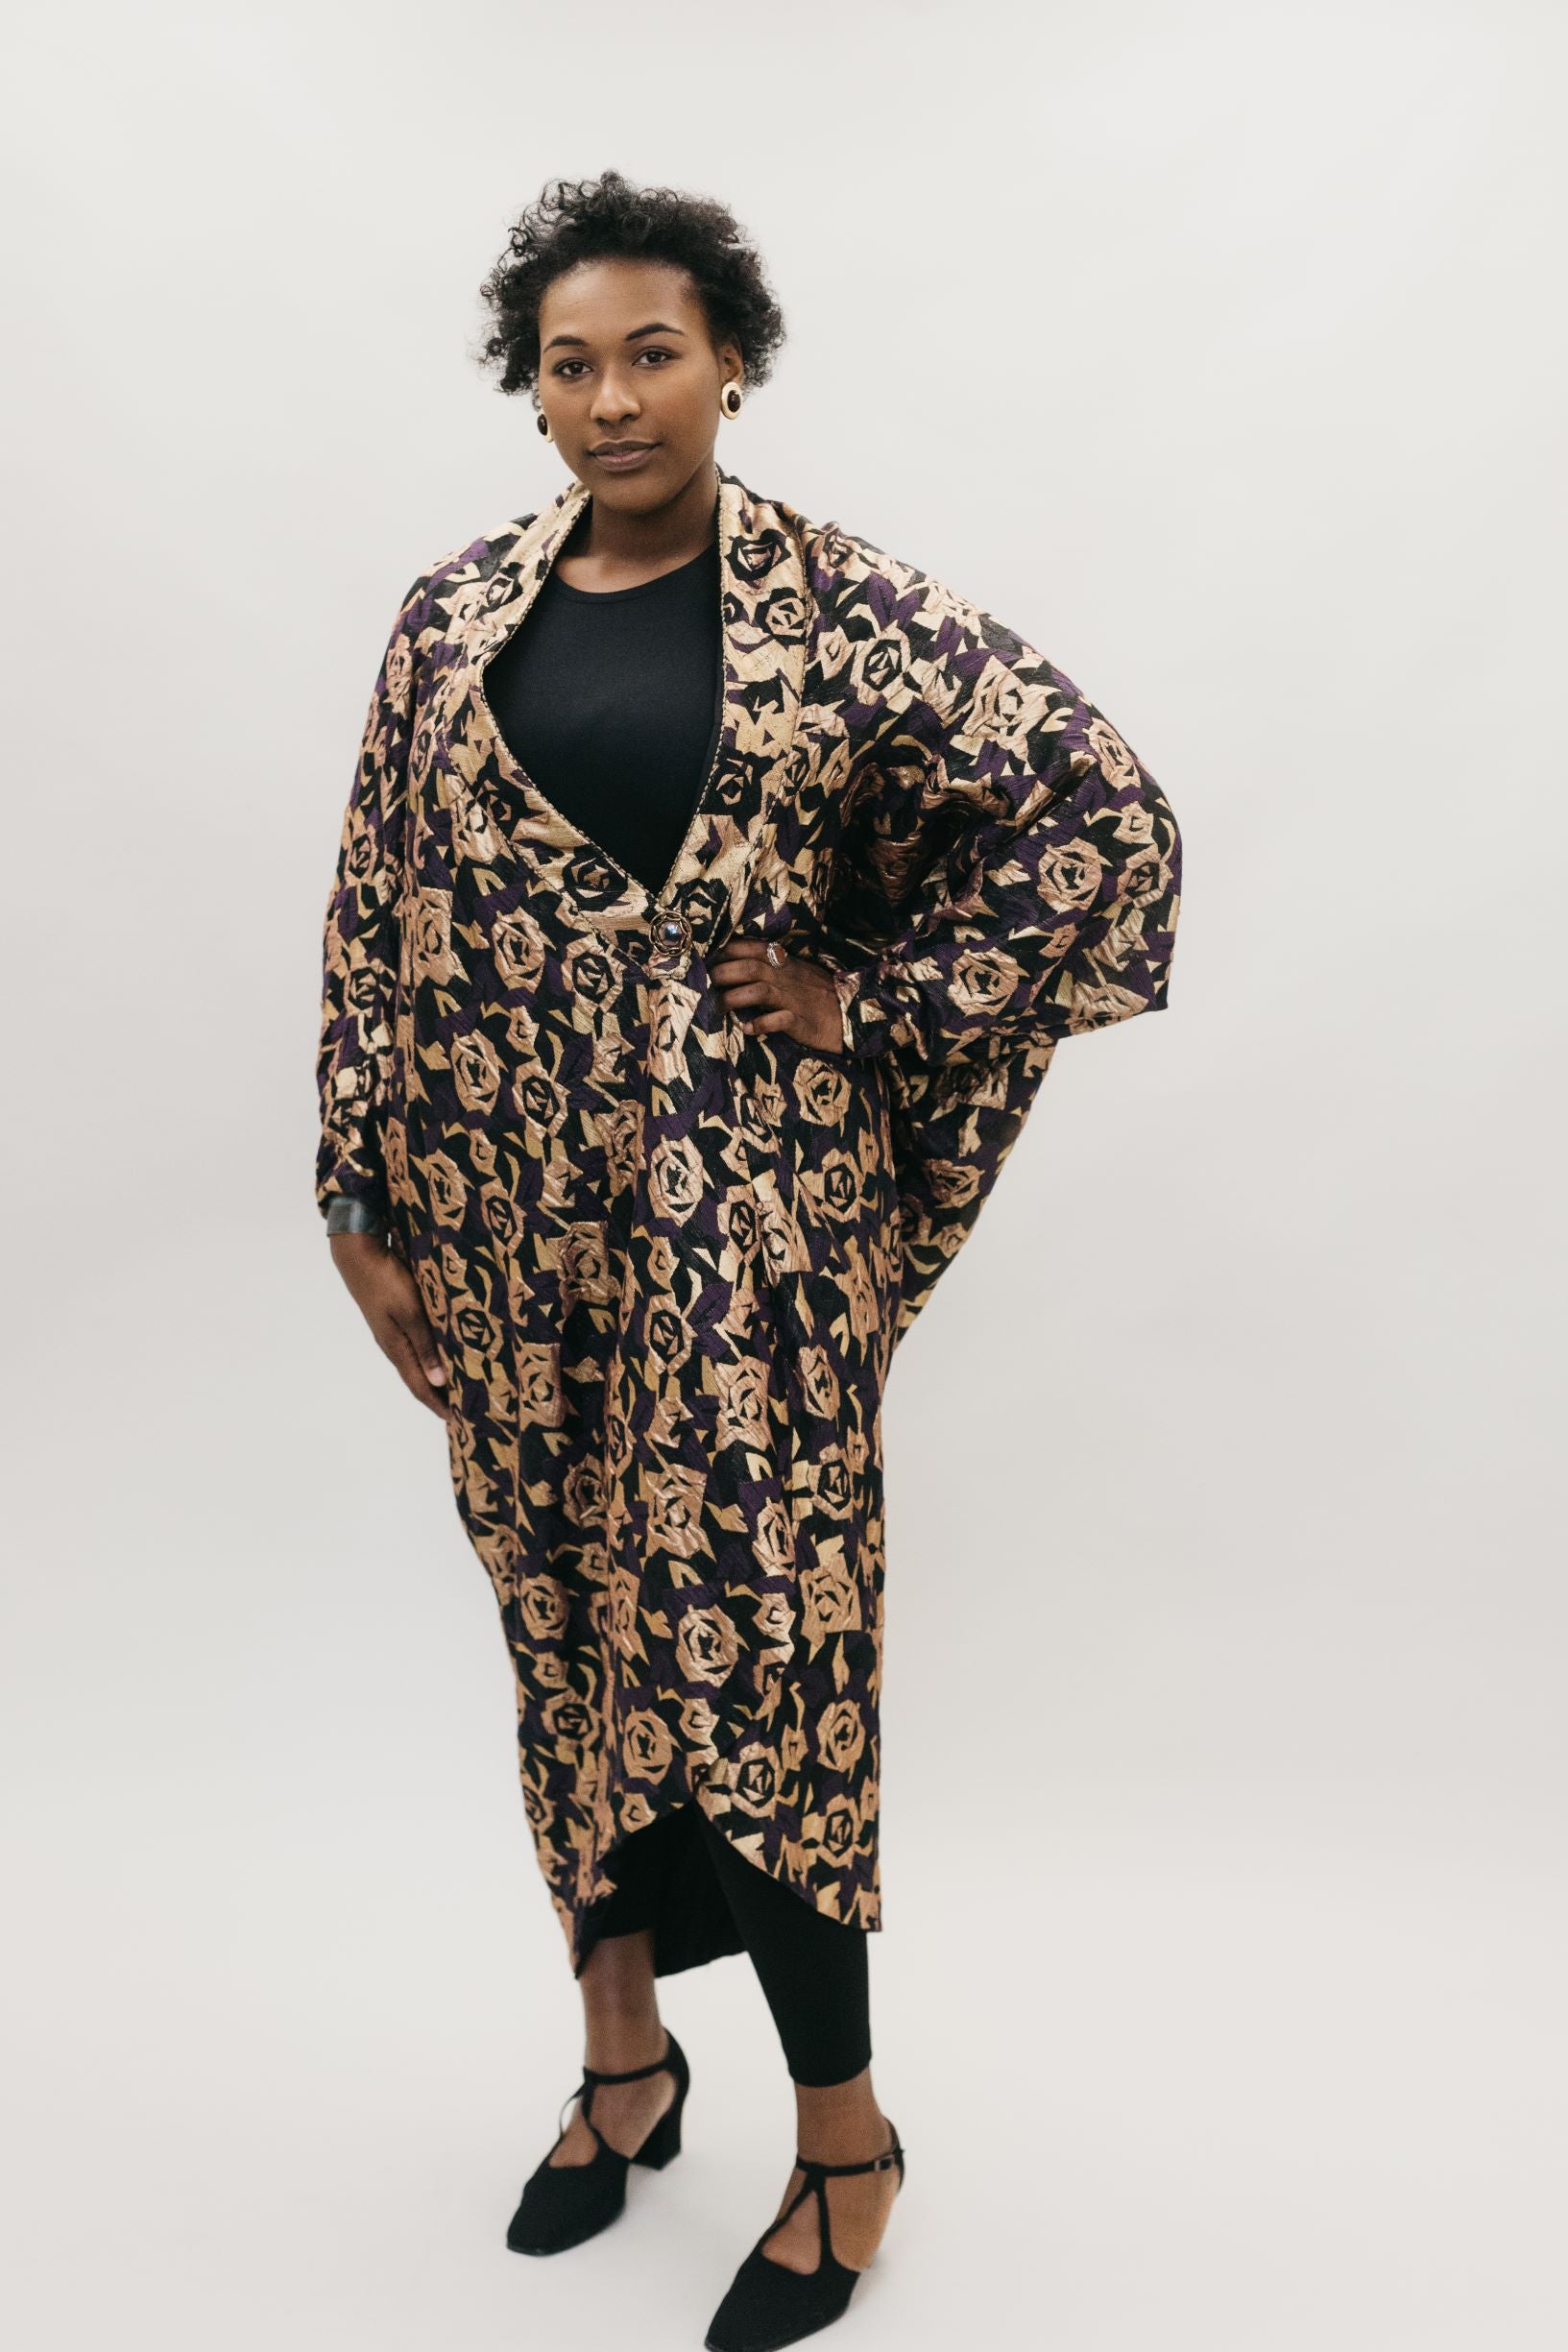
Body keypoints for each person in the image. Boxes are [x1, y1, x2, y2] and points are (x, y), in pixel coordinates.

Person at [314, 168, 1182, 2352]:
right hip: (509, 1223)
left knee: (761, 1657)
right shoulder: (449, 619)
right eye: (569, 362)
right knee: (568, 1627)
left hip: (741, 1227)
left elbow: (1105, 821)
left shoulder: (850, 613)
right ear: (531, 392)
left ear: (732, 364)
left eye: (653, 354)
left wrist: (871, 1001)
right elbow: (369, 906)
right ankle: (624, 2063)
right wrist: (358, 1193)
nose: (611, 398)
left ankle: (848, 2137)